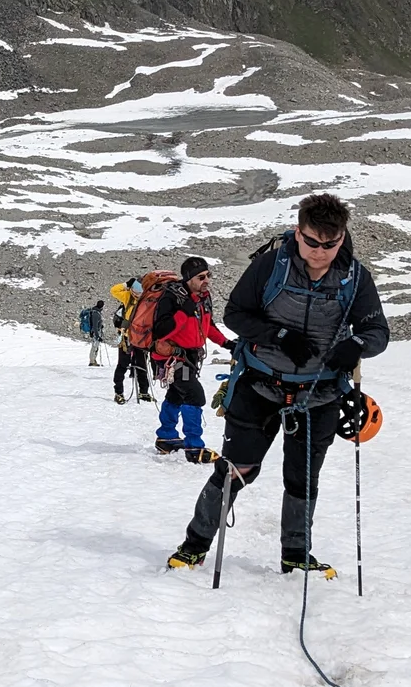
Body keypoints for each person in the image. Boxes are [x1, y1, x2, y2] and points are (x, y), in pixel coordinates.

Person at [168, 193, 389, 576]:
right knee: (238, 469)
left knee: (302, 477)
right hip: (258, 385)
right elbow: (235, 313)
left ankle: (296, 555)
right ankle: (194, 545)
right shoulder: (272, 266)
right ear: (298, 232)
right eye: (312, 242)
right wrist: (279, 335)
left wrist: (356, 344)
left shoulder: (355, 277)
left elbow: (377, 331)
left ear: (342, 237)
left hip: (320, 394)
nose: (320, 252)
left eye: (330, 244)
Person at [150, 257, 231, 460]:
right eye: (201, 277)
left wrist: (227, 344)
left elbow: (207, 325)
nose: (206, 280)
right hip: (174, 357)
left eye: (208, 275)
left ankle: (166, 438)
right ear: (188, 279)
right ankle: (194, 448)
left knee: (177, 395)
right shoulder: (172, 297)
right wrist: (183, 312)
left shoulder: (202, 297)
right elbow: (161, 331)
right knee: (195, 395)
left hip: (190, 357)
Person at [109, 276, 151, 404]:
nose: (136, 293)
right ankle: (119, 392)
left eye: (139, 291)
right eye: (135, 290)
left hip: (140, 338)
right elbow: (114, 290)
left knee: (141, 366)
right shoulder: (128, 297)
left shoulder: (148, 300)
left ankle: (144, 392)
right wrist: (126, 284)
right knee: (123, 365)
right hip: (127, 337)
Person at [83, 298, 106, 365]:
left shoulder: (94, 312)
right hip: (95, 332)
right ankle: (92, 361)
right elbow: (95, 326)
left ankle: (93, 360)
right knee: (94, 346)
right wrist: (97, 336)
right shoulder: (96, 313)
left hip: (94, 332)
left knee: (95, 346)